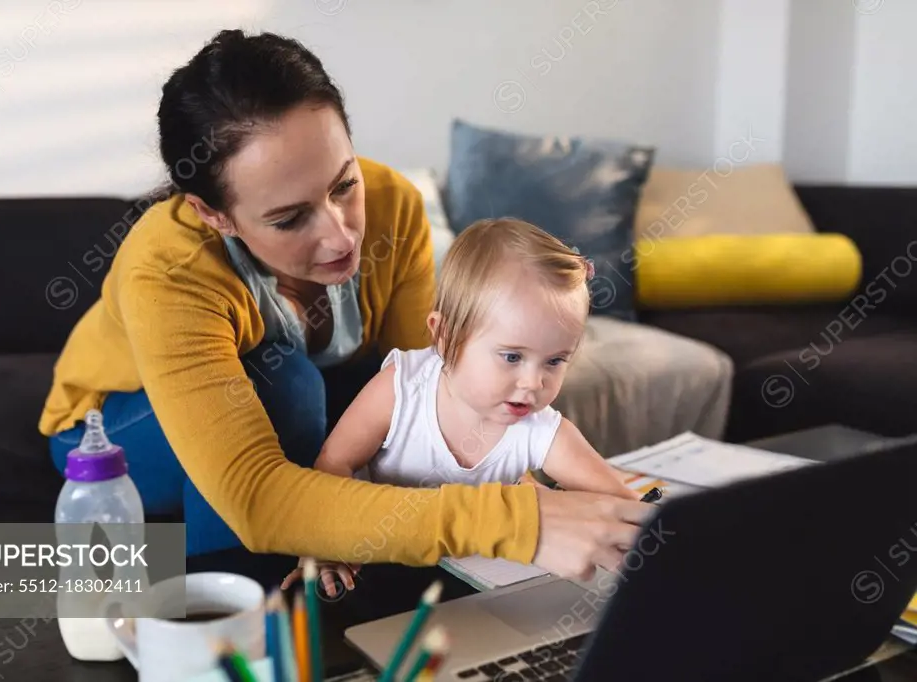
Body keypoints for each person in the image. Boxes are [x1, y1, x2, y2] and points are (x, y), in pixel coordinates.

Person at [37, 29, 651, 579]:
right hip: (109, 436)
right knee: (289, 383)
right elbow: (256, 498)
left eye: (343, 184)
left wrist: (531, 479)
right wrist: (518, 520)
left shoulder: (394, 205)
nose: (341, 235)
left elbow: (439, 390)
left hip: (300, 407)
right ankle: (225, 610)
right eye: (288, 217)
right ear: (212, 213)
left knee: (361, 391)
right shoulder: (168, 268)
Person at [281, 218, 641, 596]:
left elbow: (616, 501)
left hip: (478, 584)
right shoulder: (402, 387)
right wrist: (324, 547)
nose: (534, 384)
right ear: (445, 335)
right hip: (386, 562)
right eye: (512, 357)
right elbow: (334, 461)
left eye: (555, 361)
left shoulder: (540, 428)